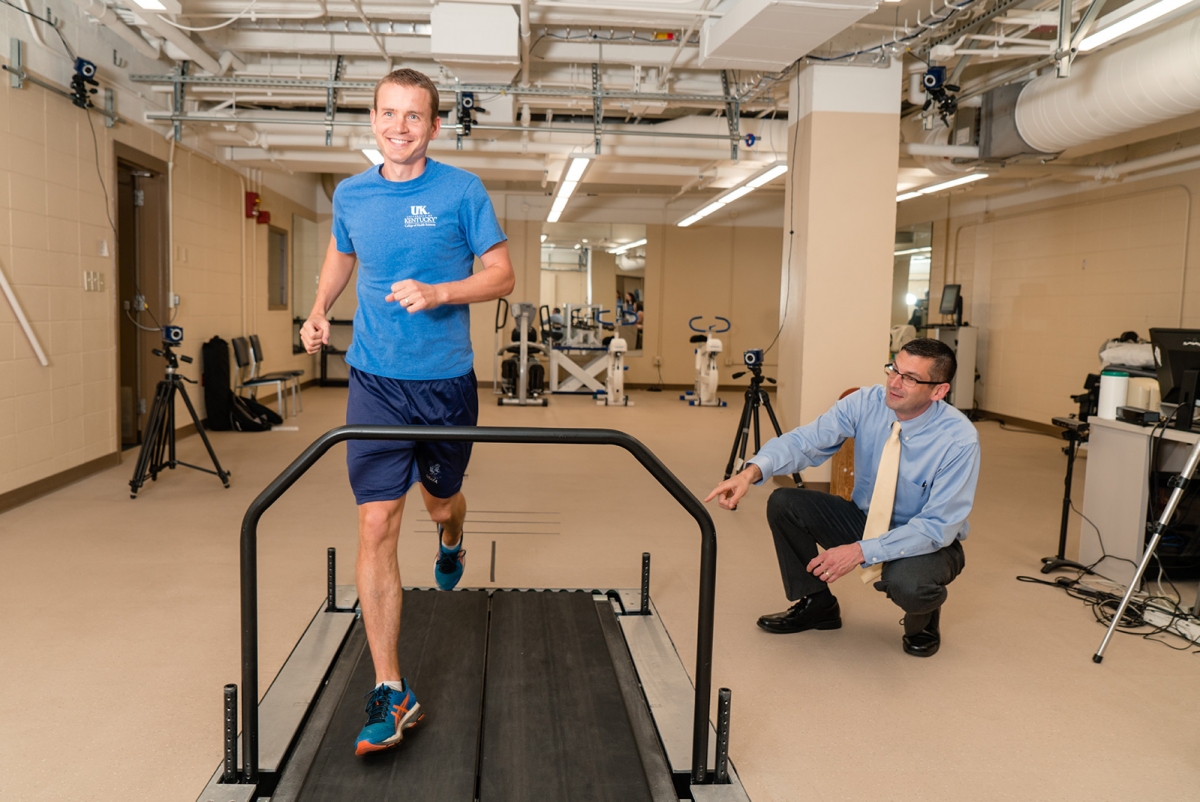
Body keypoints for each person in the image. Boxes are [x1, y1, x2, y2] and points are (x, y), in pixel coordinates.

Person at [300, 68, 514, 755]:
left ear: (434, 126)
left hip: (444, 384)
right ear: (372, 119)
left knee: (440, 501)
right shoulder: (352, 194)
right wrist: (318, 309)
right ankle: (394, 690)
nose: (399, 126)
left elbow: (502, 274)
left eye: (413, 116)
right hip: (374, 382)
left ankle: (452, 539)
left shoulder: (461, 191)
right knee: (375, 522)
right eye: (388, 114)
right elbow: (341, 255)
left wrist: (444, 292)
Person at [705, 338, 979, 657]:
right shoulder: (866, 402)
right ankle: (817, 605)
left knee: (910, 584)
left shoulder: (959, 441)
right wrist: (749, 471)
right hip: (864, 519)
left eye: (910, 378)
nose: (894, 382)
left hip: (926, 540)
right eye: (894, 369)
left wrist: (858, 551)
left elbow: (936, 528)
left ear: (938, 391)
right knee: (785, 503)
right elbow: (806, 441)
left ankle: (924, 618)